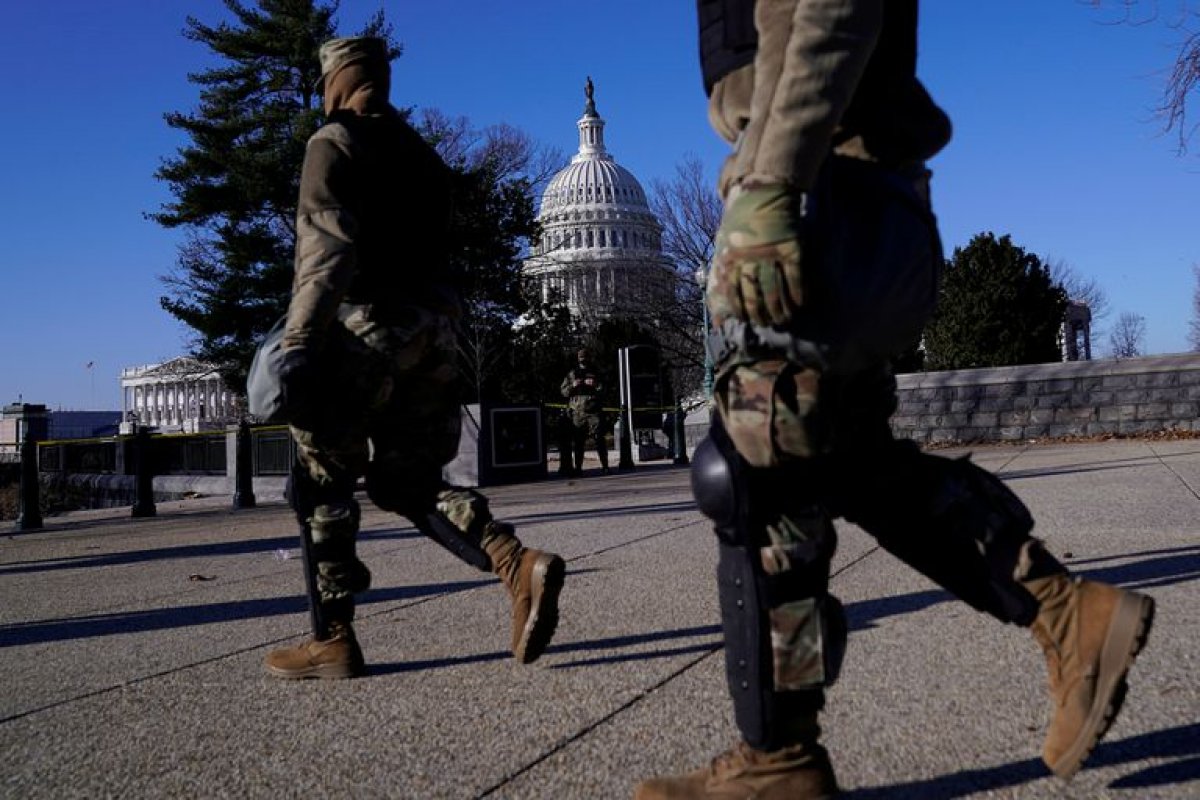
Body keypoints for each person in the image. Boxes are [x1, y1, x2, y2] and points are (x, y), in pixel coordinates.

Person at [634, 2, 1155, 797]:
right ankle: (1063, 612)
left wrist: (769, 181)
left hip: (817, 191)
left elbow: (836, 9)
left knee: (754, 478)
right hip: (859, 199)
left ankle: (779, 760)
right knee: (839, 463)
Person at [265, 37, 565, 679]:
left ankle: (333, 638)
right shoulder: (423, 157)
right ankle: (515, 563)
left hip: (362, 329)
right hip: (434, 334)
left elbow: (326, 249)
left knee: (322, 481)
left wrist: (297, 345)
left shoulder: (333, 142)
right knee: (407, 480)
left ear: (336, 82)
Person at [560, 348, 610, 475]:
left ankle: (605, 466)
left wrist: (595, 384)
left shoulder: (595, 372)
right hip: (578, 412)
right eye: (581, 358)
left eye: (585, 358)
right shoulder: (572, 373)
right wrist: (573, 386)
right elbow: (564, 392)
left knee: (599, 438)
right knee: (578, 441)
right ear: (578, 359)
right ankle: (578, 469)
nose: (583, 361)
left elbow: (604, 390)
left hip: (594, 411)